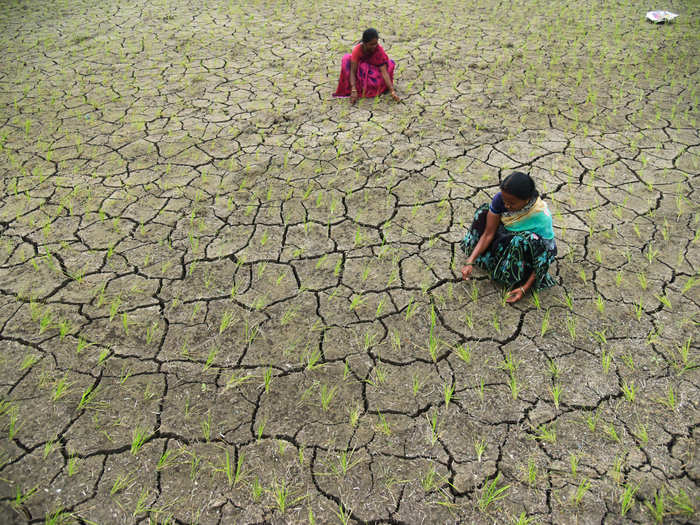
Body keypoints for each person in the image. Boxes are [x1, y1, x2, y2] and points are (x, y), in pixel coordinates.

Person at [460, 172, 557, 303]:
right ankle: (487, 260)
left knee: (520, 241)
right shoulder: (500, 199)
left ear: (527, 199)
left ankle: (512, 276)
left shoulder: (540, 216)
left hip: (523, 252)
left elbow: (546, 255)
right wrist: (470, 261)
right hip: (505, 237)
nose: (506, 206)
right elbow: (488, 233)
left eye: (512, 203)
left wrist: (525, 288)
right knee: (483, 213)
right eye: (504, 201)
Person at [333, 28, 399, 103]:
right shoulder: (357, 50)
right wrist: (353, 89)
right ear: (364, 43)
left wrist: (392, 90)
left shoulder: (378, 50)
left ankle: (367, 88)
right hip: (360, 72)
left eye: (376, 43)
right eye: (371, 44)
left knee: (377, 82)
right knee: (346, 59)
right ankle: (356, 87)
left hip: (373, 71)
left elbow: (384, 72)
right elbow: (352, 71)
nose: (374, 46)